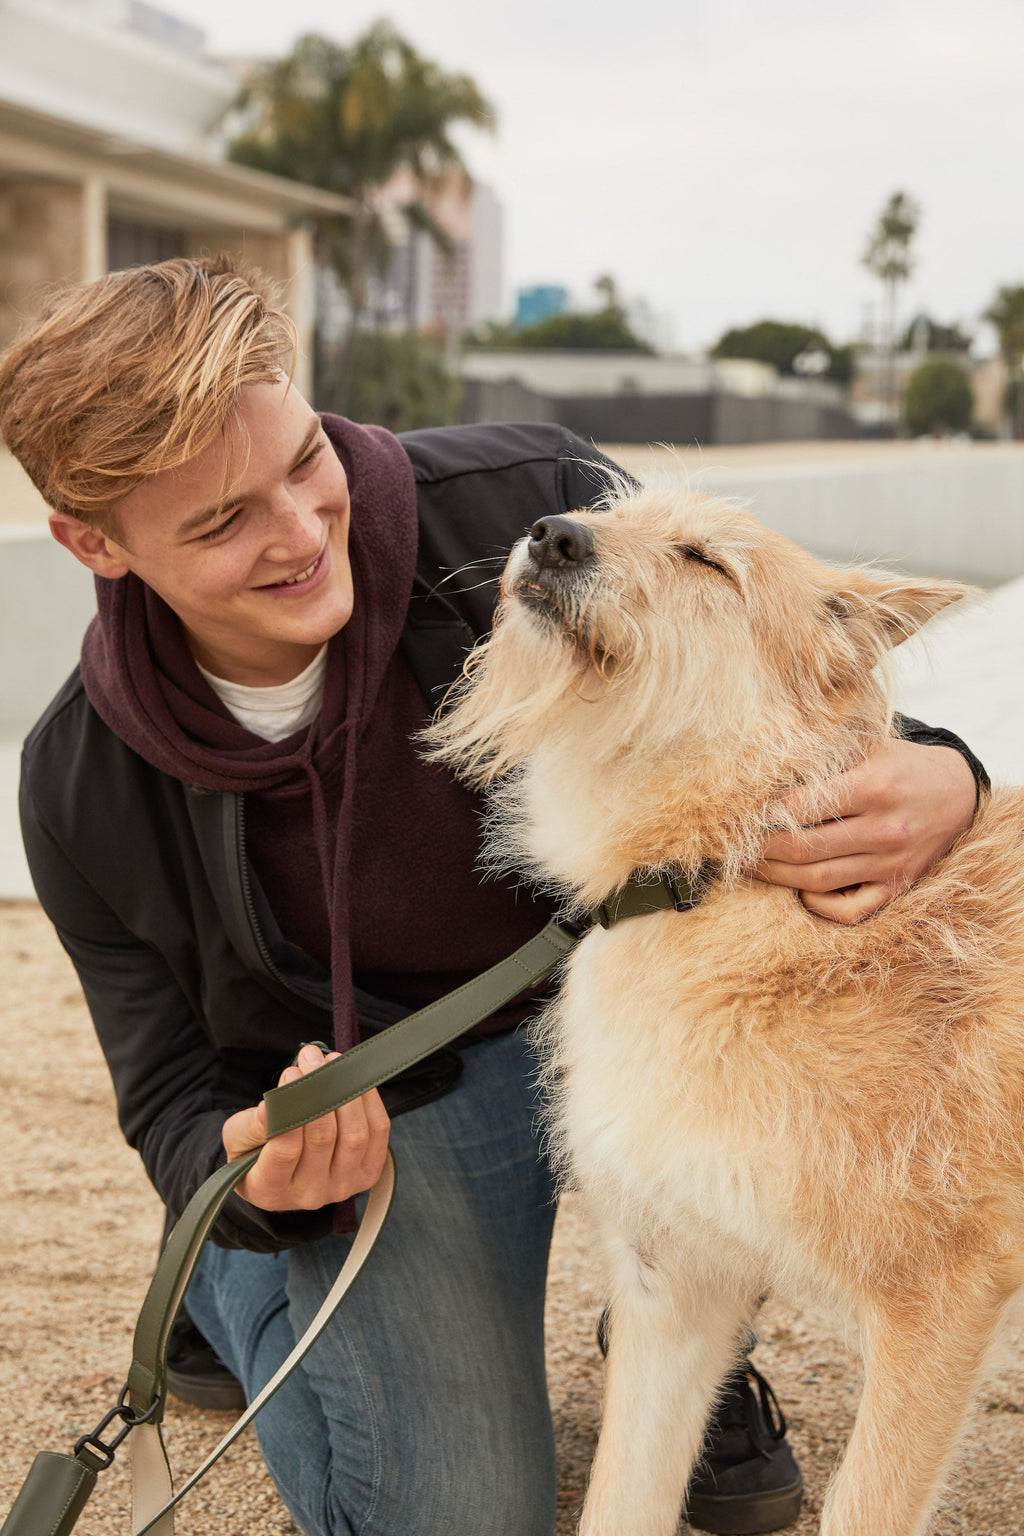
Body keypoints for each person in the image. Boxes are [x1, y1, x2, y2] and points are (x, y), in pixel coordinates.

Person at [1, 256, 986, 1536]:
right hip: (411, 1095)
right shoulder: (84, 783)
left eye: (304, 461)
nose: (303, 533)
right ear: (94, 544)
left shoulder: (532, 505)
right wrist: (252, 1185)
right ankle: (230, 1297)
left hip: (649, 1004)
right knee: (453, 1513)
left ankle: (699, 1328)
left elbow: (789, 683)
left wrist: (952, 774)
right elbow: (168, 1103)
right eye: (220, 522)